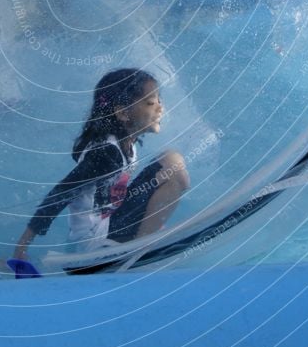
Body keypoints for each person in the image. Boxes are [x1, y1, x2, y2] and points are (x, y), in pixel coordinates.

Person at [13, 68, 189, 259]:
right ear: (123, 113)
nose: (160, 108)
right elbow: (60, 194)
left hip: (109, 224)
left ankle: (141, 235)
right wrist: (20, 250)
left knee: (171, 160)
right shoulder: (107, 155)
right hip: (97, 242)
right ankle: (138, 250)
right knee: (174, 172)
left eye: (159, 100)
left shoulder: (123, 143)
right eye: (150, 103)